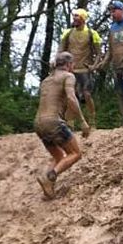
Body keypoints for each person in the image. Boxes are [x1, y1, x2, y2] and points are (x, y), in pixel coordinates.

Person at [34, 51, 91, 199]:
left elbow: (56, 101)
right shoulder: (68, 76)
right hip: (53, 121)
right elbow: (71, 98)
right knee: (75, 153)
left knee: (59, 156)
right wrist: (83, 122)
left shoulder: (46, 80)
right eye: (72, 65)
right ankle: (49, 177)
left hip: (38, 123)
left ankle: (48, 189)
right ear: (69, 65)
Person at [59, 8, 102, 128]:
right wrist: (57, 62)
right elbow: (61, 49)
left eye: (77, 17)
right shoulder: (67, 33)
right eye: (74, 17)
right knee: (71, 96)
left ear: (83, 19)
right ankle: (70, 123)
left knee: (87, 94)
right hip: (70, 70)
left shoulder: (92, 34)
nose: (74, 19)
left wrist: (94, 66)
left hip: (85, 70)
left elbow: (99, 53)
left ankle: (92, 121)